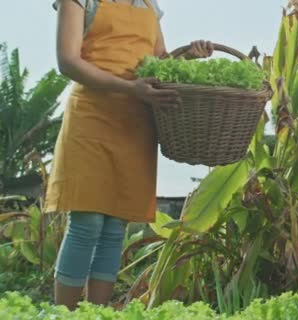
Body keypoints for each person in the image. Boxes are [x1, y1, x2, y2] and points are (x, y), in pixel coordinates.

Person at [47, 0, 214, 310]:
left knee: (114, 228)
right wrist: (129, 87)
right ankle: (64, 316)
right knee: (87, 222)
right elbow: (68, 61)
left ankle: (97, 315)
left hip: (136, 121)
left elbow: (159, 61)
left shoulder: (148, 5)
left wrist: (188, 56)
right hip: (92, 116)